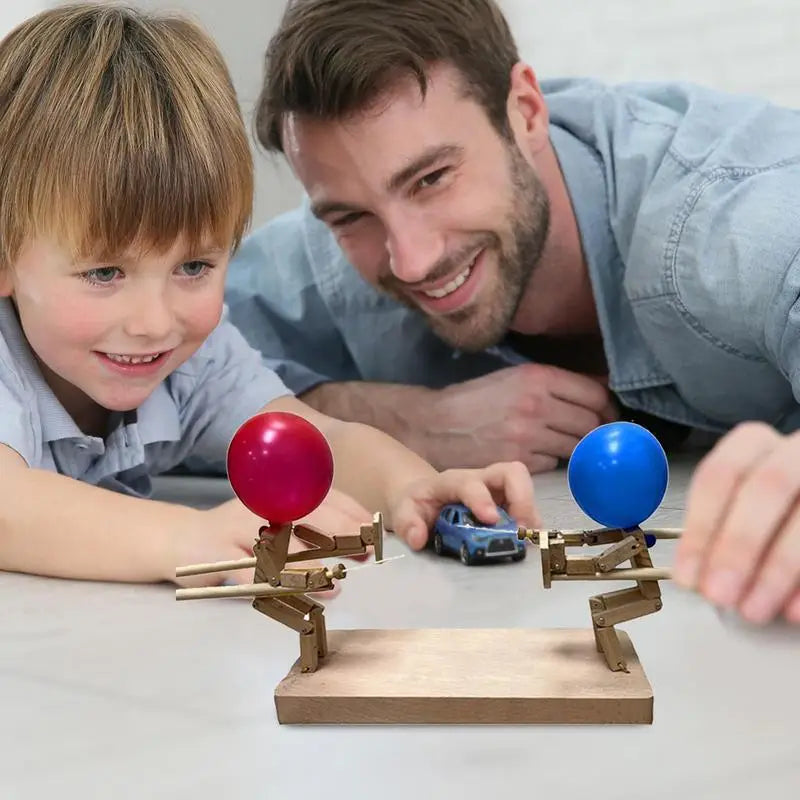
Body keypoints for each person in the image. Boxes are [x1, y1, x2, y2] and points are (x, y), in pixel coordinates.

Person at [224, 0, 800, 625]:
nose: (412, 260)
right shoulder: (328, 249)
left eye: (432, 179)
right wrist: (405, 421)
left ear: (525, 112)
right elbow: (158, 360)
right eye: (351, 217)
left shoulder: (728, 220)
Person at [0, 3, 538, 591]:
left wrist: (408, 487)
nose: (155, 323)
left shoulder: (194, 358)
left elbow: (312, 439)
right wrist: (182, 538)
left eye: (194, 266)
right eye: (104, 273)